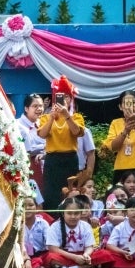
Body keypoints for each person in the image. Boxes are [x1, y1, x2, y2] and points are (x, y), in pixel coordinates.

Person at [36, 76, 85, 206]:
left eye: (67, 97)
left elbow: (76, 132)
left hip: (70, 159)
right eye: (60, 97)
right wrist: (52, 118)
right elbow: (42, 134)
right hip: (52, 159)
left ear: (71, 99)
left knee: (70, 192)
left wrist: (66, 115)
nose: (63, 100)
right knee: (51, 193)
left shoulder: (77, 117)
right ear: (55, 98)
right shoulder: (46, 117)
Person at [103, 90, 135, 198]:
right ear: (120, 107)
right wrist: (125, 130)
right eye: (126, 103)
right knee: (120, 202)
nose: (129, 106)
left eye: (132, 102)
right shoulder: (115, 123)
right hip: (122, 169)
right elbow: (113, 147)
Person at [45, 196, 115, 268]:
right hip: (65, 256)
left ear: (81, 213)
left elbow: (89, 246)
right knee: (50, 257)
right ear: (63, 213)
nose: (73, 216)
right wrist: (74, 257)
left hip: (82, 256)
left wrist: (86, 255)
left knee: (106, 254)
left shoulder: (86, 226)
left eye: (76, 213)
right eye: (69, 213)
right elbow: (53, 249)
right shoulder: (55, 226)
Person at [18, 93, 46, 198]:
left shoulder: (44, 124)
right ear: (26, 108)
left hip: (45, 167)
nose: (39, 109)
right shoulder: (18, 126)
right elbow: (27, 149)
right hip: (28, 168)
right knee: (33, 199)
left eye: (41, 106)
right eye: (35, 106)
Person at [21, 195, 51, 268]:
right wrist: (26, 259)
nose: (27, 208)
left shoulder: (43, 223)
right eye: (23, 205)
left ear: (37, 208)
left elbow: (49, 244)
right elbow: (18, 246)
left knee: (52, 256)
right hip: (22, 255)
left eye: (31, 205)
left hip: (41, 255)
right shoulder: (17, 225)